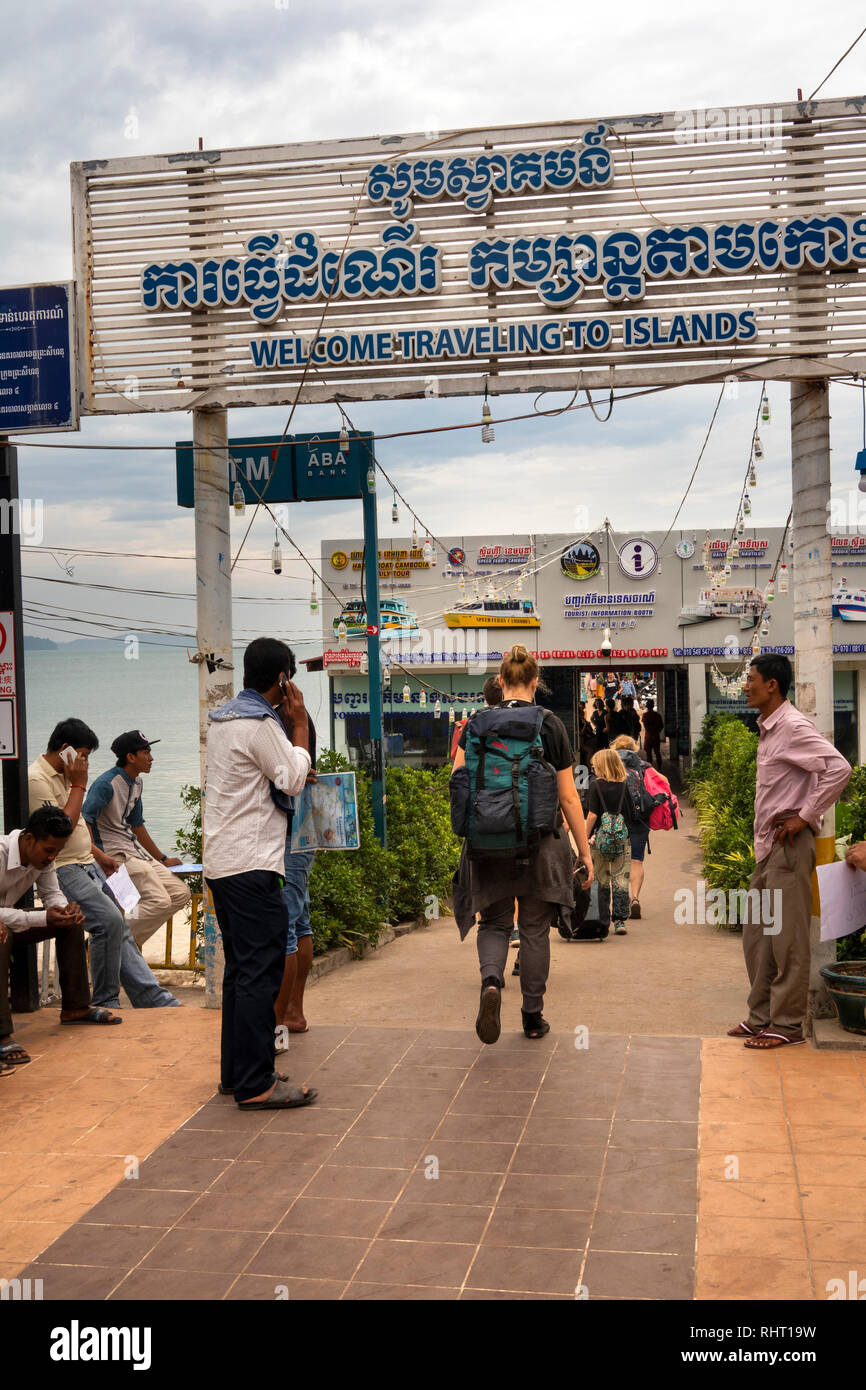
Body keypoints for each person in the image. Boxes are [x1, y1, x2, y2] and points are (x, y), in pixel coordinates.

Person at [452, 645, 594, 1042]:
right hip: (541, 842)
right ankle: (532, 1017)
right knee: (534, 929)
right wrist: (584, 852)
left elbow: (459, 780)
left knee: (495, 922)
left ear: (500, 682)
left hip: (486, 842)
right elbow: (568, 797)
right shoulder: (550, 725)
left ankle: (492, 984)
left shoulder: (476, 722)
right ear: (536, 683)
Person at [204, 637, 317, 1109]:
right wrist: (300, 730)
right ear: (283, 679)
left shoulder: (226, 720)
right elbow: (290, 778)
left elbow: (269, 776)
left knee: (240, 975)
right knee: (260, 974)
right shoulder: (260, 722)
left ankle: (238, 1073)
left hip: (222, 864)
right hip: (252, 865)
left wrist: (290, 759)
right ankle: (256, 1084)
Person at [729, 654, 851, 1049]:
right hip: (768, 847)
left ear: (772, 686)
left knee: (786, 939)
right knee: (757, 938)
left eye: (751, 679)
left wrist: (804, 816)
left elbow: (839, 768)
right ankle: (760, 1017)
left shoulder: (794, 726)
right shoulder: (769, 729)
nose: (745, 686)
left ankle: (787, 1024)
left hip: (789, 846)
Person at [29, 719, 179, 1010]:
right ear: (65, 750)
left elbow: (84, 828)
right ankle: (107, 1000)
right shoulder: (38, 779)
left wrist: (101, 857)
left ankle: (154, 998)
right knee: (109, 923)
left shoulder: (68, 776)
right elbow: (62, 828)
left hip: (91, 862)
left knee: (119, 923)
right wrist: (78, 784)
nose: (84, 762)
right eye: (83, 755)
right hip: (65, 867)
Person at [0, 807, 122, 1068]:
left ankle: (76, 1007)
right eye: (48, 851)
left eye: (57, 851)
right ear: (29, 839)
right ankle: (1, 1034)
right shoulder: (0, 853)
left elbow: (51, 893)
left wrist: (65, 909)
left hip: (7, 921)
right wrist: (44, 917)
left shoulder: (44, 855)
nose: (52, 857)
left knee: (69, 923)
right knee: (1, 936)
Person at [83, 731, 191, 951]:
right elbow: (84, 822)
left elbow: (137, 825)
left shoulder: (137, 782)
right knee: (159, 902)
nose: (151, 758)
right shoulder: (106, 784)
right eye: (146, 752)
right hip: (115, 856)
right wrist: (98, 856)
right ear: (130, 757)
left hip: (136, 853)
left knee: (181, 894)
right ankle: (107, 943)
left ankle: (123, 943)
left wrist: (162, 858)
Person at [274, 710, 318, 1040]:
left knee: (286, 924)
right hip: (303, 830)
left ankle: (282, 1017)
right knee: (299, 919)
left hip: (289, 832)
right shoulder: (296, 718)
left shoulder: (284, 719)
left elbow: (287, 777)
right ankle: (293, 1010)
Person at [584, 747, 637, 936]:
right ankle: (620, 921)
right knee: (621, 880)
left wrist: (585, 836)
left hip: (599, 840)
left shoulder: (595, 785)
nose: (593, 769)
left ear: (601, 766)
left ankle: (603, 920)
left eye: (595, 766)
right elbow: (631, 815)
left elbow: (592, 815)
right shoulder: (624, 786)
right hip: (621, 840)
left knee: (602, 880)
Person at [610, 735, 651, 919]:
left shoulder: (609, 766)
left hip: (615, 821)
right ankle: (635, 898)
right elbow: (663, 784)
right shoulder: (644, 767)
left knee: (618, 862)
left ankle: (621, 900)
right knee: (636, 861)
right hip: (639, 820)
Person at [641, 699, 664, 769]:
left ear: (647, 706)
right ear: (653, 706)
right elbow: (661, 726)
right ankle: (659, 768)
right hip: (656, 736)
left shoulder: (645, 715)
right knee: (657, 752)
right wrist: (656, 732)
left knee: (648, 754)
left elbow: (645, 726)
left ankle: (650, 768)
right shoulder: (657, 715)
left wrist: (650, 733)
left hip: (648, 737)